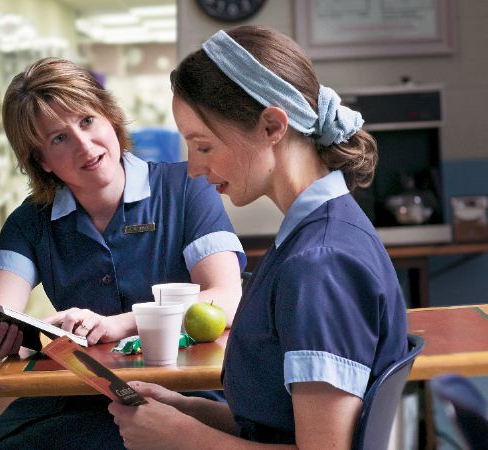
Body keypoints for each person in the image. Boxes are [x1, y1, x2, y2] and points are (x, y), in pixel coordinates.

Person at [108, 26, 410, 449]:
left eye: (204, 146)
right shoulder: (318, 235)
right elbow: (281, 422)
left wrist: (182, 438)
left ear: (272, 126)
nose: (192, 168)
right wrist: (187, 410)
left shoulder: (320, 264)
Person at [0, 57, 246, 449]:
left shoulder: (186, 190)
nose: (84, 145)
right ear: (41, 161)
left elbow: (226, 297)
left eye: (87, 121)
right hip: (77, 395)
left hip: (185, 391)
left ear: (110, 118)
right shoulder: (31, 221)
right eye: (58, 138)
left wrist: (119, 324)